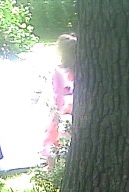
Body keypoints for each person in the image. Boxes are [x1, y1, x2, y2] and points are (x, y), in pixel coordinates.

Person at [41, 33, 76, 166]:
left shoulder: (58, 71)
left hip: (62, 109)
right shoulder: (79, 69)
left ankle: (52, 168)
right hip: (72, 109)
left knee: (54, 137)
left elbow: (56, 93)